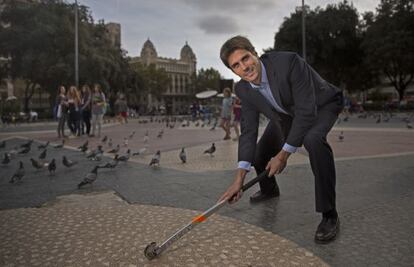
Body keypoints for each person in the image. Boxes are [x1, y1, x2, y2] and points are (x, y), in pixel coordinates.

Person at [218, 36, 344, 243]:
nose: (245, 67)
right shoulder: (243, 89)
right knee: (258, 154)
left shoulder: (288, 63)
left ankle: (330, 214)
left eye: (246, 58)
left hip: (322, 104)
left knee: (313, 140)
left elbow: (306, 112)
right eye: (236, 65)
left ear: (255, 53)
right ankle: (270, 189)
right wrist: (239, 179)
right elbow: (248, 131)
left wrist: (283, 154)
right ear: (233, 72)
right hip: (287, 114)